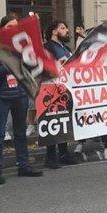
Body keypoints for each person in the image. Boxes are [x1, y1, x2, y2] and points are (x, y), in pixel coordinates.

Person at [0, 14, 43, 185]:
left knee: (20, 133)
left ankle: (23, 165)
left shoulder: (22, 47)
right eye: (10, 26)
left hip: (20, 94)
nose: (13, 30)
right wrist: (8, 63)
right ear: (2, 28)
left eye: (16, 27)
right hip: (0, 96)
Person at [42, 20, 78, 169]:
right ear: (54, 31)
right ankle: (50, 157)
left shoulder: (65, 47)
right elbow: (45, 66)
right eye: (63, 28)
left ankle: (63, 153)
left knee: (63, 121)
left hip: (64, 88)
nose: (67, 30)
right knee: (52, 121)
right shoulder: (47, 47)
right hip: (50, 89)